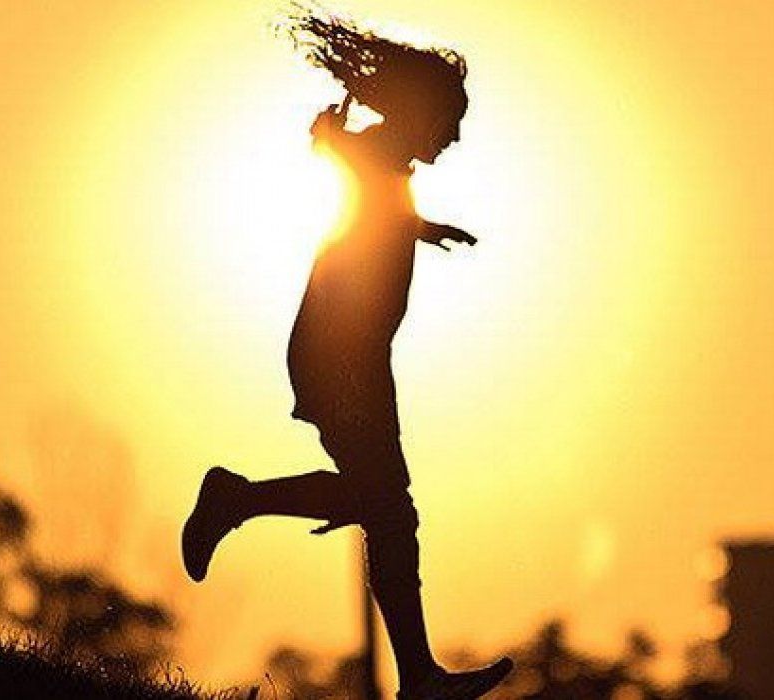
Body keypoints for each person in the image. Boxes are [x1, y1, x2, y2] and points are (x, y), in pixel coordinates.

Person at [180, 14, 512, 700]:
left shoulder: (383, 163)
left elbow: (370, 200)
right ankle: (237, 500)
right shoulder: (374, 153)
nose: (453, 137)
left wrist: (419, 225)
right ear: (420, 113)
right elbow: (356, 175)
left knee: (384, 508)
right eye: (450, 121)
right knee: (389, 509)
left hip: (354, 360)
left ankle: (417, 675)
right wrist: (332, 142)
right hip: (344, 361)